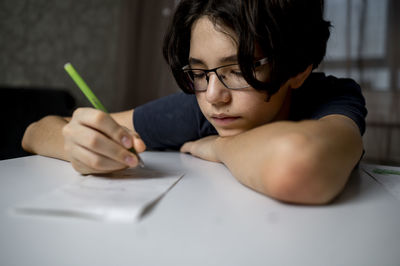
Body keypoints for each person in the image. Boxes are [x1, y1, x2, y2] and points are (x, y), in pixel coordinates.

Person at [22, 0, 367, 205]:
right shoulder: (195, 107)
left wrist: (217, 147)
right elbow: (36, 131)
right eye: (199, 72)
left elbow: (299, 165)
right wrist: (81, 144)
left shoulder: (332, 97)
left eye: (238, 70)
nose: (214, 96)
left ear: (299, 69)